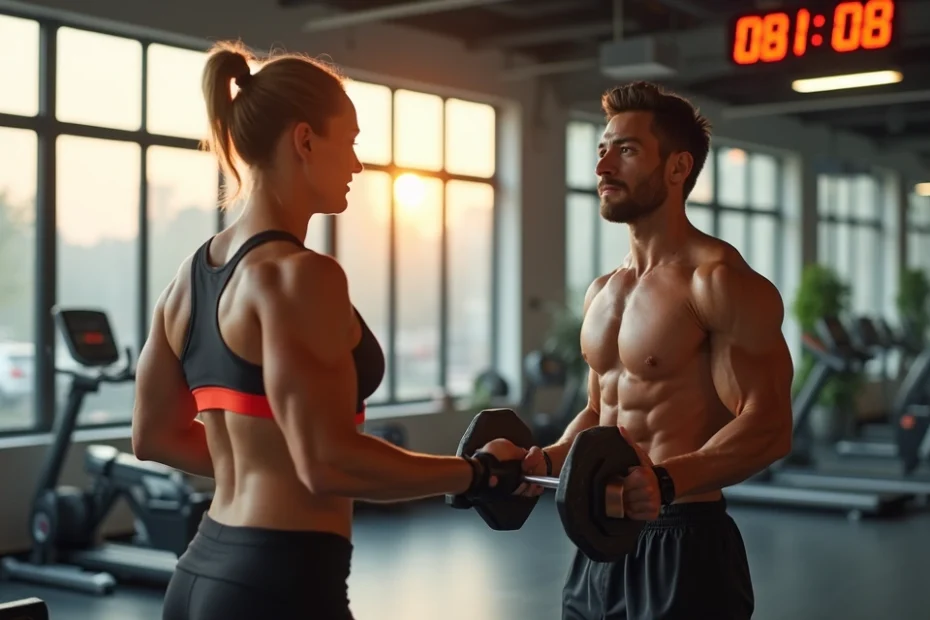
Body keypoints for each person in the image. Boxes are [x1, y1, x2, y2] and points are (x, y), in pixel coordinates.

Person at [130, 41, 526, 620]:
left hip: (199, 575)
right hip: (278, 583)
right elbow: (329, 463)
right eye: (352, 141)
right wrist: (478, 473)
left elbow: (153, 436)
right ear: (305, 140)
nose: (358, 165)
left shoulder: (188, 280)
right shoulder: (301, 276)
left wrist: (265, 467)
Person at [519, 82, 795, 619]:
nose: (602, 168)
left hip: (684, 539)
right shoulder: (603, 291)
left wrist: (666, 482)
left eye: (625, 150)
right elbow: (601, 413)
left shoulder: (716, 281)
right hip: (599, 539)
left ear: (676, 168)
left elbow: (769, 424)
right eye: (602, 150)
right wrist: (545, 459)